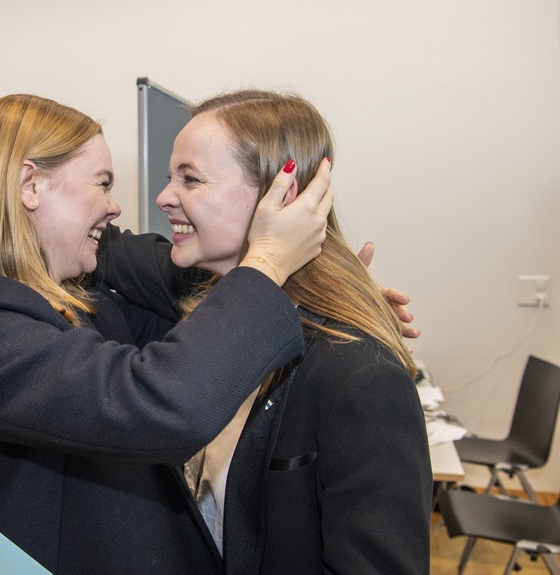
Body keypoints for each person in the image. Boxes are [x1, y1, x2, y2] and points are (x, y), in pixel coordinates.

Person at [0, 93, 332, 574]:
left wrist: (328, 299)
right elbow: (158, 403)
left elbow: (173, 279)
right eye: (102, 183)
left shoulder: (76, 291)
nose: (115, 207)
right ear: (30, 185)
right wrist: (267, 263)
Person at [98, 90, 432, 574]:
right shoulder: (205, 296)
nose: (164, 197)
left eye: (190, 179)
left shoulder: (360, 376)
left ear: (281, 196)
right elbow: (102, 249)